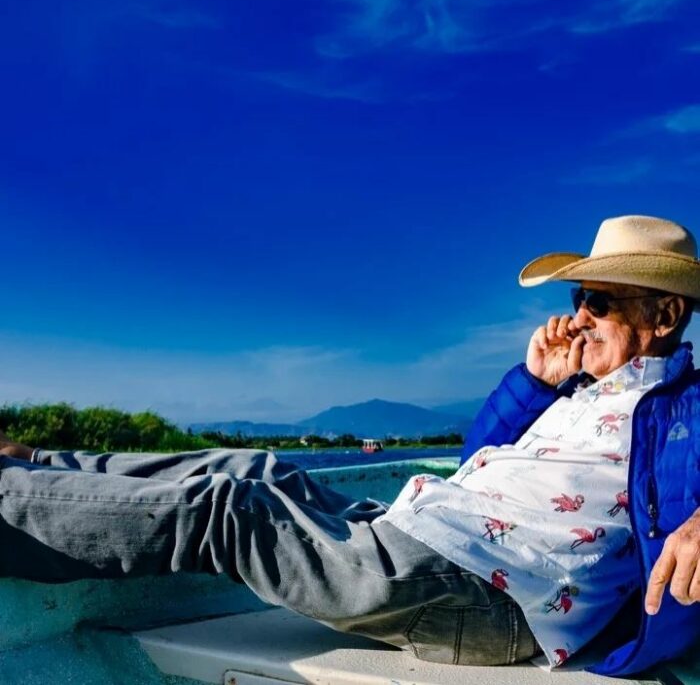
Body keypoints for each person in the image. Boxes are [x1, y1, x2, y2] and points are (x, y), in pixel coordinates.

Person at [0, 214, 698, 677]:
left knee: (229, 511)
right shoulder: (577, 394)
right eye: (578, 298)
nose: (577, 318)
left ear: (665, 314)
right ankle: (36, 464)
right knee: (259, 469)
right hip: (430, 535)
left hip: (497, 596)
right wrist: (536, 383)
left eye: (598, 303)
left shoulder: (688, 409)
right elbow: (475, 466)